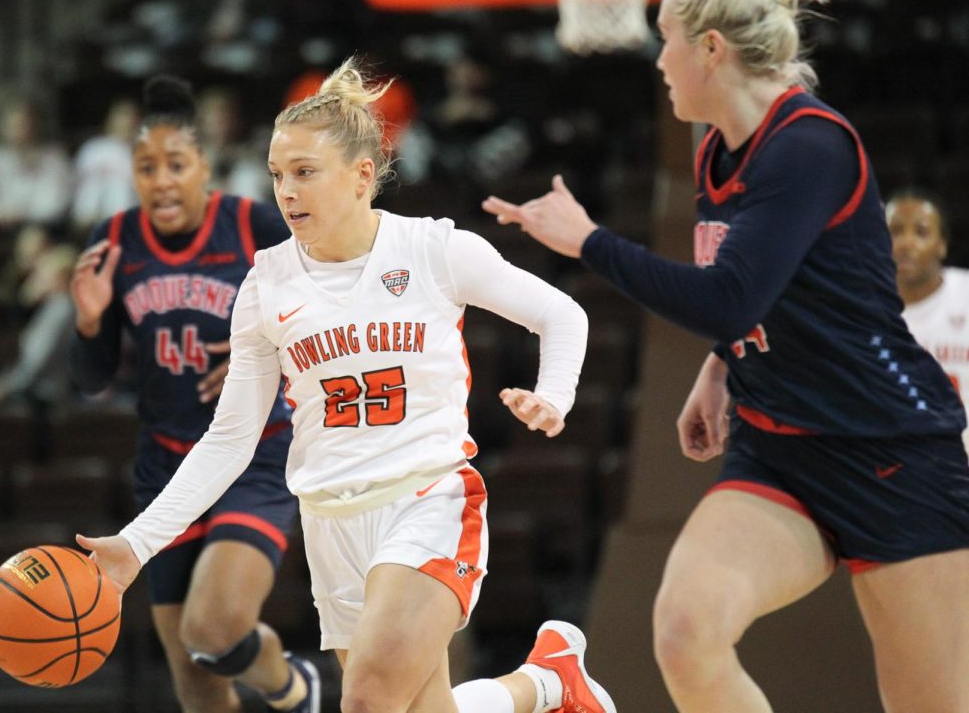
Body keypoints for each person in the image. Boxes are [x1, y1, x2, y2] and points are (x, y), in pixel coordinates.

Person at [482, 0, 969, 712]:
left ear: (711, 48)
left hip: (892, 454)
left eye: (668, 40)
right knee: (684, 629)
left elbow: (731, 296)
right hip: (780, 450)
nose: (660, 61)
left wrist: (591, 242)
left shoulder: (809, 146)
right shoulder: (718, 149)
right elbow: (763, 292)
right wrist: (722, 365)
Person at [78, 57, 615, 713]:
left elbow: (562, 314)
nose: (287, 191)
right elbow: (230, 440)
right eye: (278, 175)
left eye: (304, 172)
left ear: (363, 176)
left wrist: (554, 395)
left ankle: (548, 683)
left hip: (426, 502)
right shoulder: (265, 285)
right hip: (330, 522)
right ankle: (547, 683)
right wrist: (135, 546)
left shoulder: (433, 251)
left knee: (365, 702)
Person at [69, 75, 318, 713]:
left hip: (255, 458)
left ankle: (295, 687)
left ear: (204, 165)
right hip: (165, 463)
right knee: (194, 678)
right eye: (146, 167)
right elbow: (92, 381)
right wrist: (91, 323)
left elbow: (326, 303)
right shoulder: (115, 241)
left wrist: (264, 338)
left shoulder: (253, 224)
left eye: (176, 164)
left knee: (210, 629)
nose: (161, 180)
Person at [886, 186, 969, 452]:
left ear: (942, 244)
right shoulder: (862, 309)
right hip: (902, 465)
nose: (906, 243)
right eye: (895, 231)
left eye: (921, 232)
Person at [0, 245, 78, 406]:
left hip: (45, 395)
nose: (36, 279)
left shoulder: (61, 308)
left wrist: (4, 385)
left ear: (60, 278)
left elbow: (36, 363)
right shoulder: (54, 306)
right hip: (38, 390)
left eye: (42, 274)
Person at [0, 96, 75, 233]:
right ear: (3, 125)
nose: (21, 131)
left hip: (42, 228)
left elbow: (56, 201)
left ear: (37, 125)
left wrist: (23, 216)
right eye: (15, 125)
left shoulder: (54, 157)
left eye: (26, 124)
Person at [71, 97, 140, 234]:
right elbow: (77, 187)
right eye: (121, 117)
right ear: (111, 120)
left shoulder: (143, 154)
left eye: (131, 119)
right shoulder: (92, 149)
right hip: (87, 223)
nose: (126, 123)